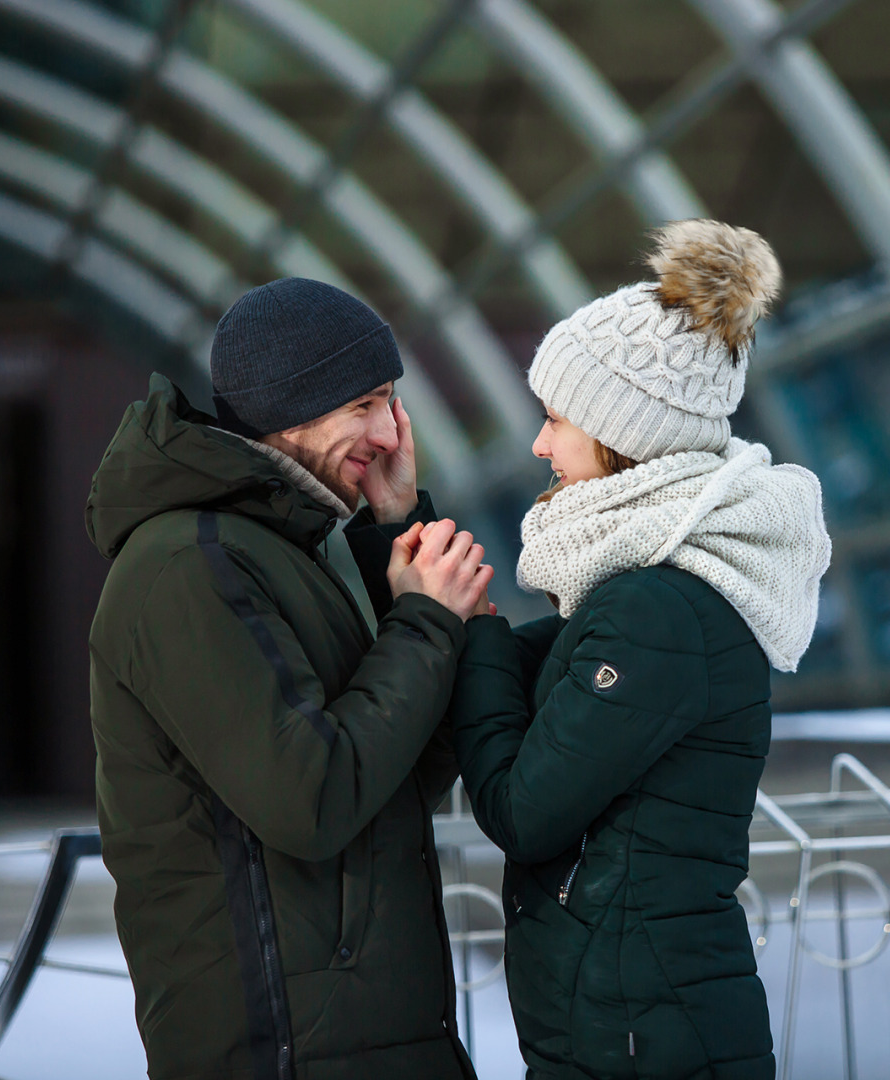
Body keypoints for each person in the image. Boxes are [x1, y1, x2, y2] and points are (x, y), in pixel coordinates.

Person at [448, 221, 832, 1079]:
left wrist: (469, 627)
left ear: (629, 433)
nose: (541, 446)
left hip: (642, 1035)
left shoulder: (656, 610)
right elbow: (530, 678)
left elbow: (523, 811)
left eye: (557, 420)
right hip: (639, 1020)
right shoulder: (652, 590)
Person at [86, 278, 492, 1080]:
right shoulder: (188, 568)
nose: (389, 431)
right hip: (287, 1049)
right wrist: (422, 620)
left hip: (363, 1037)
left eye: (392, 403)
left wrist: (396, 535)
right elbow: (312, 798)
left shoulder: (276, 552)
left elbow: (402, 767)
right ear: (292, 406)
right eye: (366, 404)